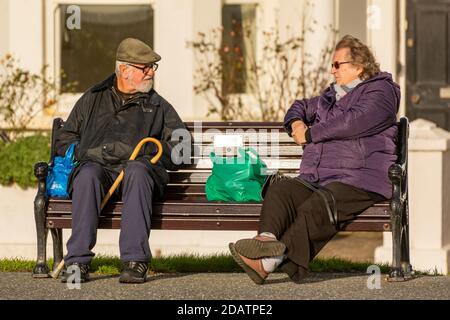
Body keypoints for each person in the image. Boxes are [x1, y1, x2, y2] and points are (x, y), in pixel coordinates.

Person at [229, 35, 400, 285]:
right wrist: (297, 123)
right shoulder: (331, 96)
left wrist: (310, 133)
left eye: (337, 64)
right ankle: (265, 241)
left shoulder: (381, 91)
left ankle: (267, 262)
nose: (332, 70)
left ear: (359, 67)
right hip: (320, 176)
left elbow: (354, 121)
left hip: (360, 178)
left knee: (320, 203)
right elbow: (298, 106)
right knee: (281, 189)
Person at [55, 38, 188, 283]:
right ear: (124, 70)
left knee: (137, 170)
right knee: (87, 174)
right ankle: (77, 262)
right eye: (145, 67)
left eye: (152, 67)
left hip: (137, 176)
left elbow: (184, 147)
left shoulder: (158, 105)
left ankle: (134, 262)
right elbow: (64, 139)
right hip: (99, 172)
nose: (151, 72)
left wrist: (151, 157)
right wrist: (86, 153)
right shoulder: (92, 99)